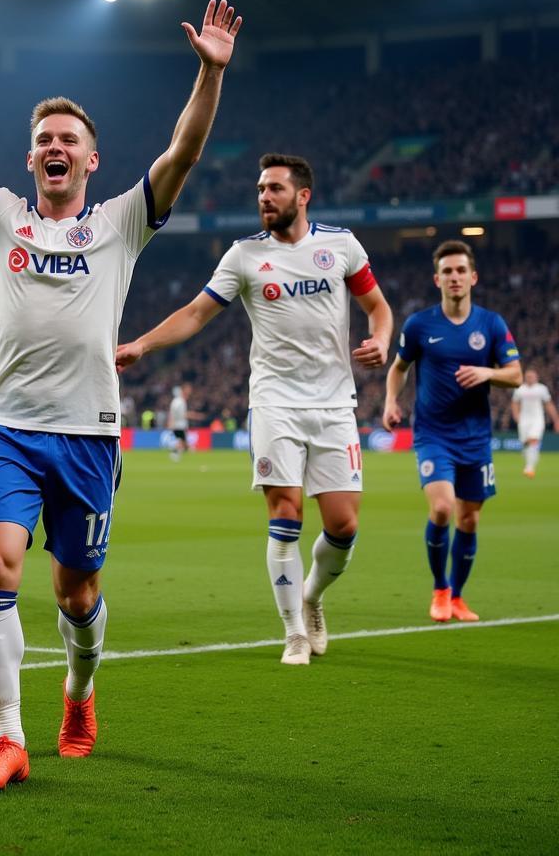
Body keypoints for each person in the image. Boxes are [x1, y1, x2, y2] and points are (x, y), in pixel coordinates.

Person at [0, 0, 242, 792]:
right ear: (31, 159)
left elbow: (183, 153)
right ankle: (8, 739)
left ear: (91, 160)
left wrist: (208, 77)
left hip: (90, 435)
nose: (55, 147)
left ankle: (79, 691)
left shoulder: (121, 223)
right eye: (44, 141)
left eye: (69, 138)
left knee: (77, 593)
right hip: (7, 428)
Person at [117, 154, 392, 666]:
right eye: (260, 190)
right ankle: (292, 632)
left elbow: (378, 306)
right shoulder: (244, 256)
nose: (264, 197)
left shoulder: (342, 246)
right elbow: (197, 313)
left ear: (302, 195)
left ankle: (310, 597)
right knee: (284, 515)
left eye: (274, 189)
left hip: (335, 403)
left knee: (344, 527)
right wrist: (143, 345)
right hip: (273, 402)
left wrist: (381, 337)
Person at [383, 240, 522, 623]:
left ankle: (458, 597)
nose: (455, 277)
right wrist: (391, 401)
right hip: (433, 435)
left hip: (476, 437)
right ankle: (440, 588)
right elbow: (398, 367)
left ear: (473, 277)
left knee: (470, 519)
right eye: (447, 271)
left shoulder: (491, 324)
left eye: (461, 270)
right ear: (437, 279)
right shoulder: (419, 325)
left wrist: (488, 373)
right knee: (443, 508)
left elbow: (516, 374)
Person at [510, 369, 558, 478]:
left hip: (537, 419)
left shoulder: (541, 389)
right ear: (525, 377)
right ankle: (531, 460)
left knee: (533, 441)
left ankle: (529, 468)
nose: (530, 378)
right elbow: (514, 403)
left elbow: (548, 404)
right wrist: (516, 415)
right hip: (524, 419)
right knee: (526, 443)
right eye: (528, 376)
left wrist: (556, 419)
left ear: (536, 377)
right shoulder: (520, 389)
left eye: (532, 376)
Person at [167, 384, 201, 460]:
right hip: (179, 425)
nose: (189, 391)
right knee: (182, 441)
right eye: (188, 389)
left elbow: (172, 413)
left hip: (180, 425)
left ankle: (179, 453)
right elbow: (177, 414)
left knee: (182, 441)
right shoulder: (179, 401)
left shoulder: (179, 401)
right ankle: (175, 454)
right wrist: (195, 415)